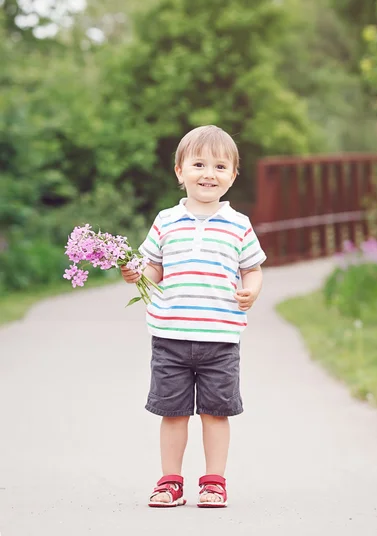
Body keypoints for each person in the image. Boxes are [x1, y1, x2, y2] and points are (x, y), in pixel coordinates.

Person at [121, 125, 266, 508]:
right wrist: (139, 274)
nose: (208, 173)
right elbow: (153, 266)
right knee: (172, 413)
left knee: (217, 414)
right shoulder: (166, 221)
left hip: (220, 338)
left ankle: (214, 482)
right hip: (170, 335)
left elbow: (252, 268)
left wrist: (252, 290)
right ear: (179, 171)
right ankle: (170, 481)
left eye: (220, 167)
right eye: (199, 164)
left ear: (233, 176)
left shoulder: (239, 225)